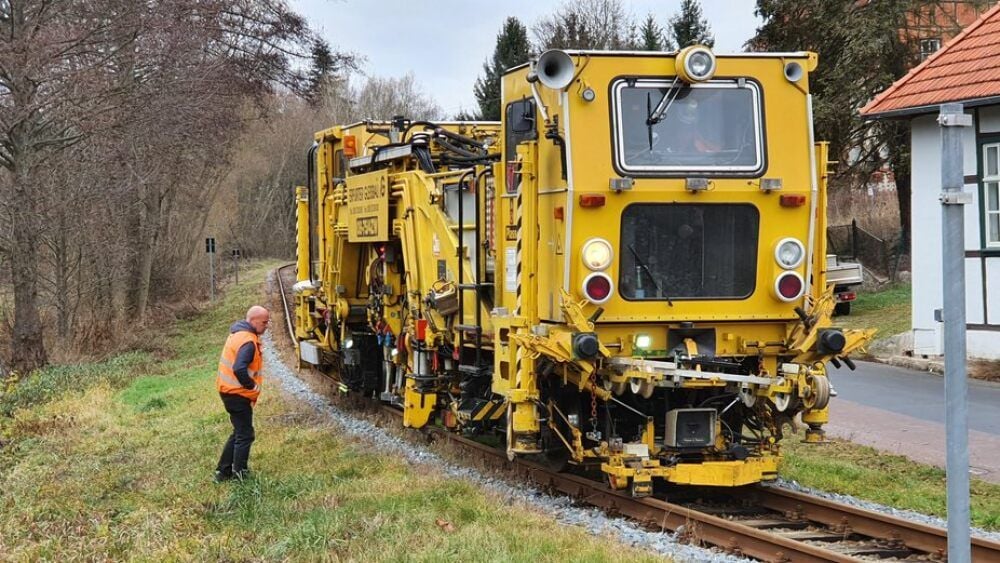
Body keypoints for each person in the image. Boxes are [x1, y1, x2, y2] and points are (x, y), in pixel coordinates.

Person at [214, 305, 270, 482]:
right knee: (245, 434)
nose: (266, 325)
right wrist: (251, 386)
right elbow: (239, 368)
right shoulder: (248, 342)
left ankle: (223, 471)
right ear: (253, 321)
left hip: (228, 392)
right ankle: (240, 474)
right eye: (264, 322)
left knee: (238, 431)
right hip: (237, 394)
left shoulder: (237, 334)